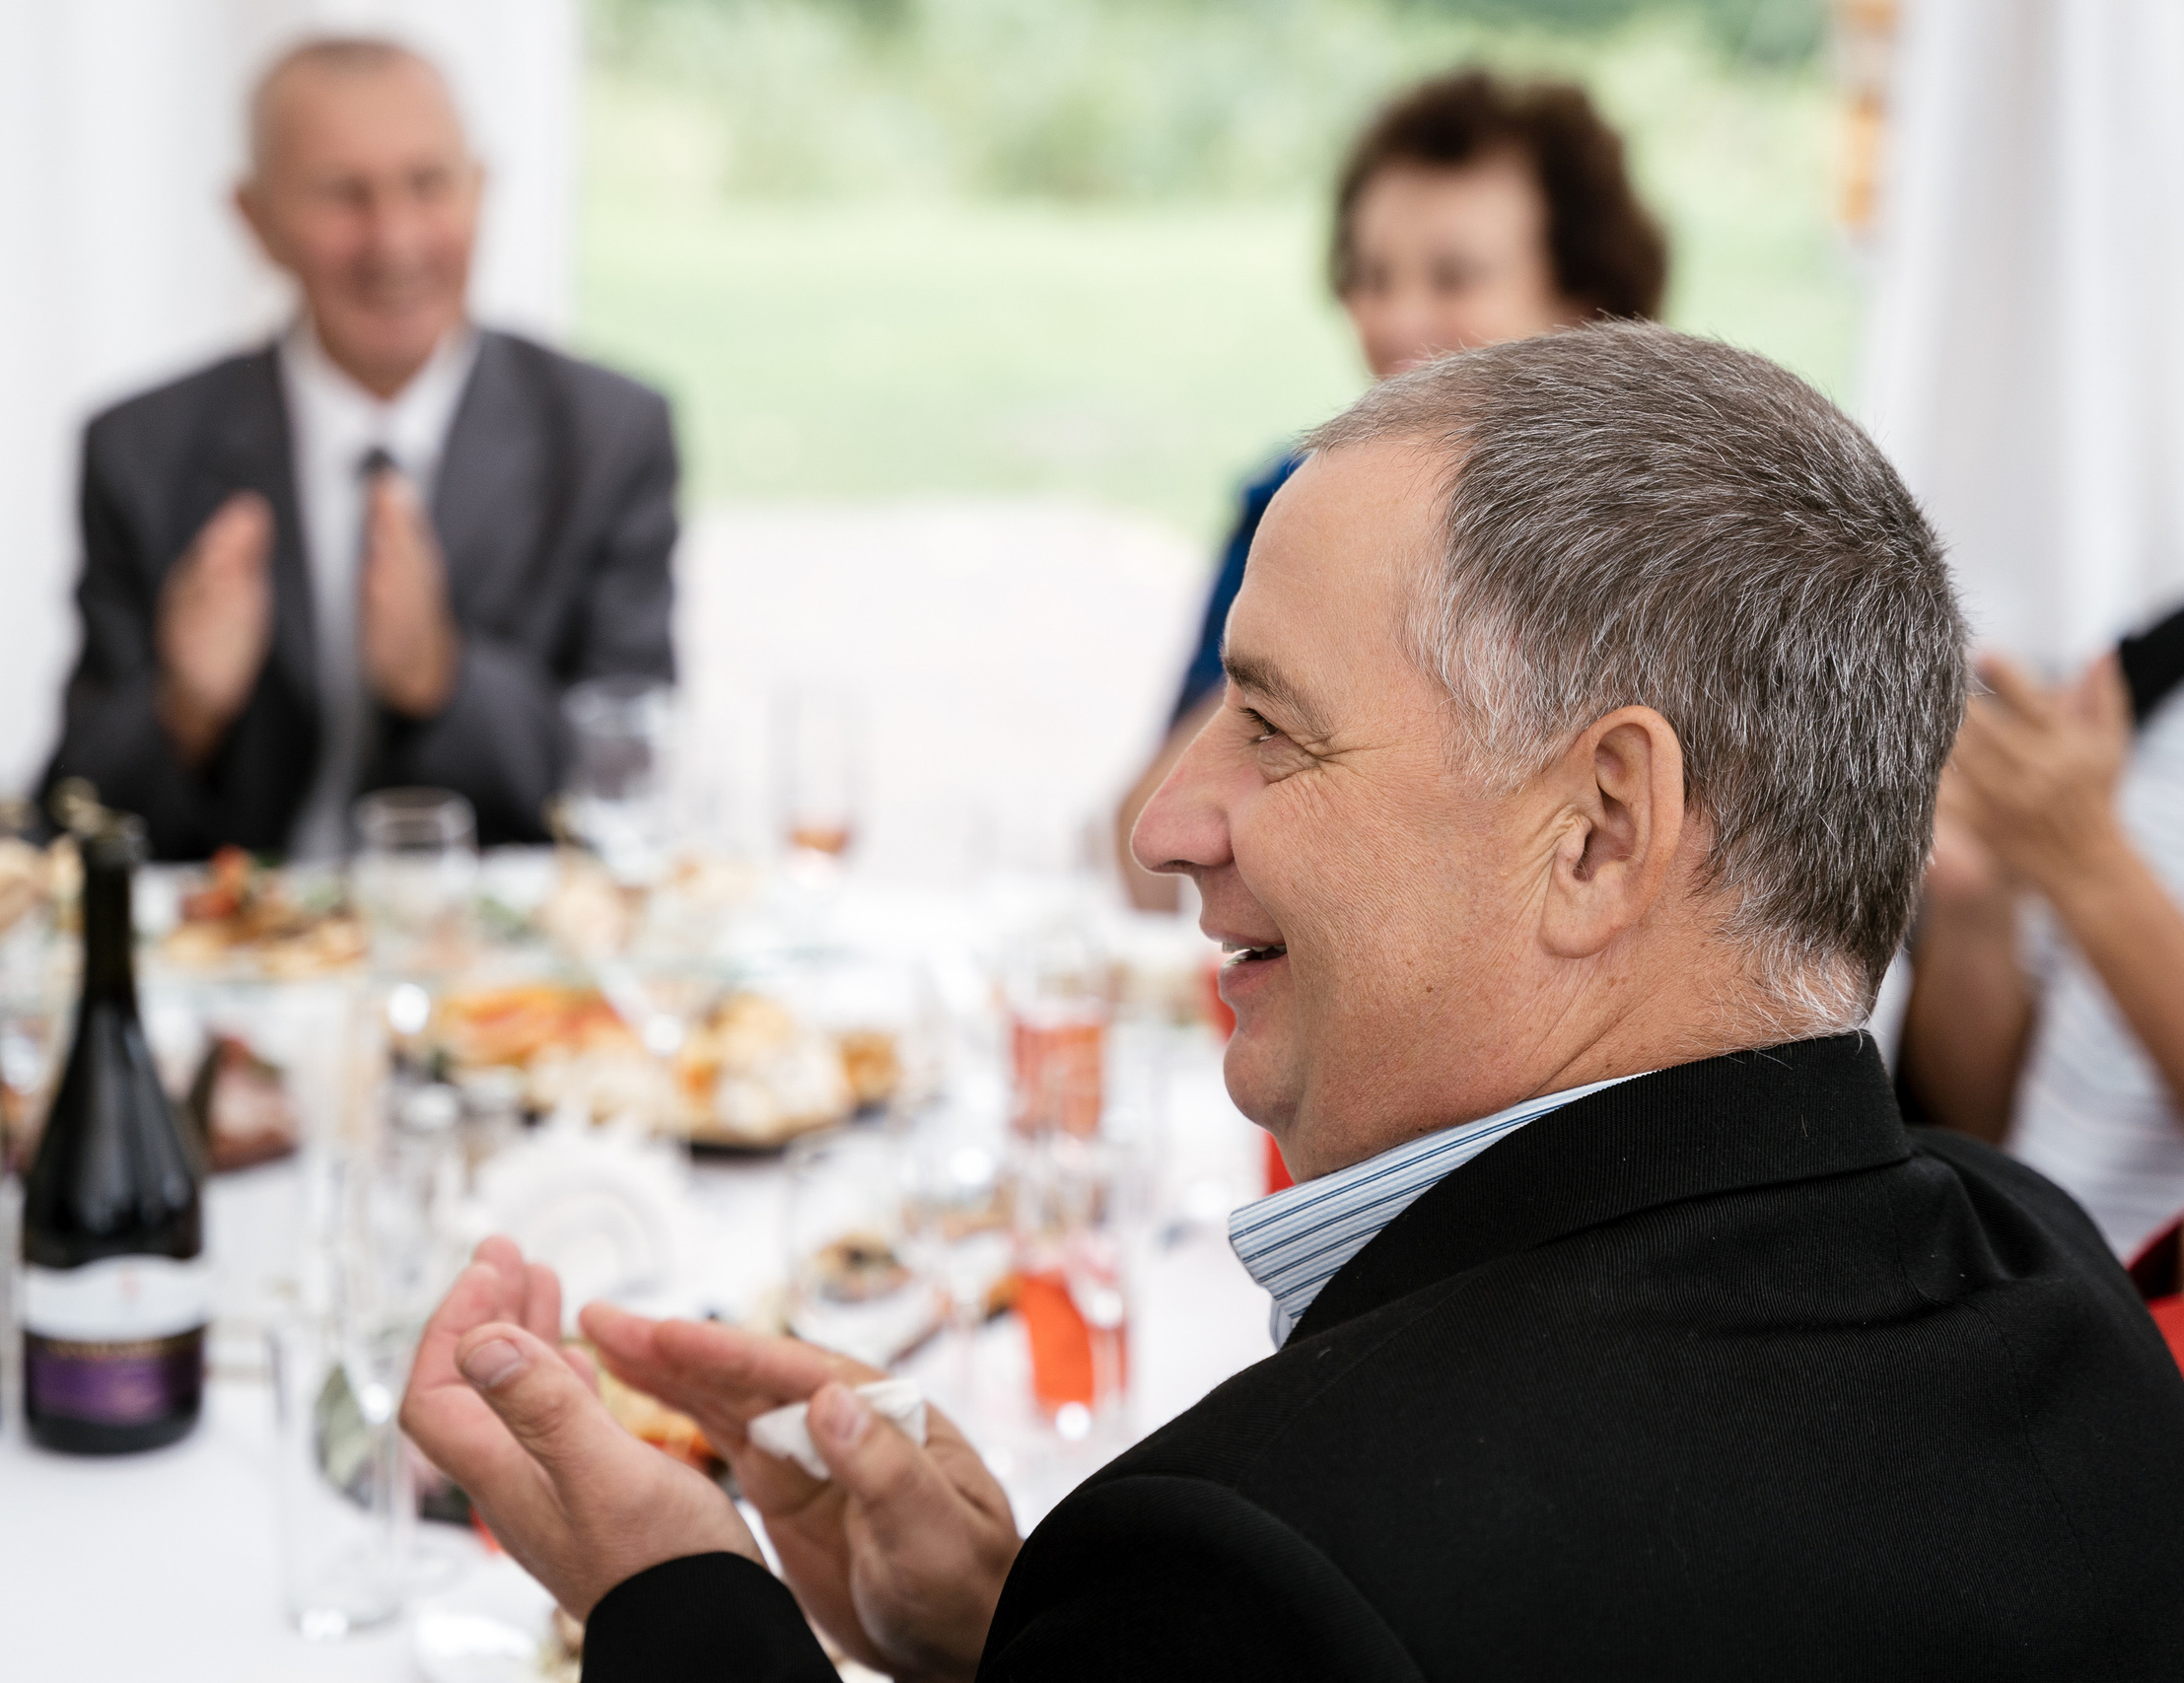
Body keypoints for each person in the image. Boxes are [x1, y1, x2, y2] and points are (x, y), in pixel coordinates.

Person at [400, 326, 2184, 1679]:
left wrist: (680, 1599)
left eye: (1275, 723)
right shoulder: (2061, 1293)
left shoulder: (1260, 1550)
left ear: (1600, 832)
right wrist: (1027, 1638)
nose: (1172, 823)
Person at [44, 36, 677, 860]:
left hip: (499, 972)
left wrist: (444, 677)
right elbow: (70, 817)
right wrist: (183, 708)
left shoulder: (606, 436)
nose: (395, 242)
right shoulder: (141, 448)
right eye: (344, 195)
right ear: (256, 219)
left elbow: (629, 781)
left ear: (481, 192)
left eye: (428, 184)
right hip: (236, 957)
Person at [1118, 70, 1666, 908]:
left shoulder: (1666, 542)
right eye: (1371, 277)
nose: (1398, 319)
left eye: (1454, 277)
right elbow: (1140, 857)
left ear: (1583, 300)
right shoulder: (1291, 505)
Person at [1902, 604, 2184, 1263]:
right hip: (2042, 1293)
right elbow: (1989, 1122)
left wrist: (2086, 863)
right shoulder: (2158, 664)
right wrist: (1978, 905)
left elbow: (2081, 858)